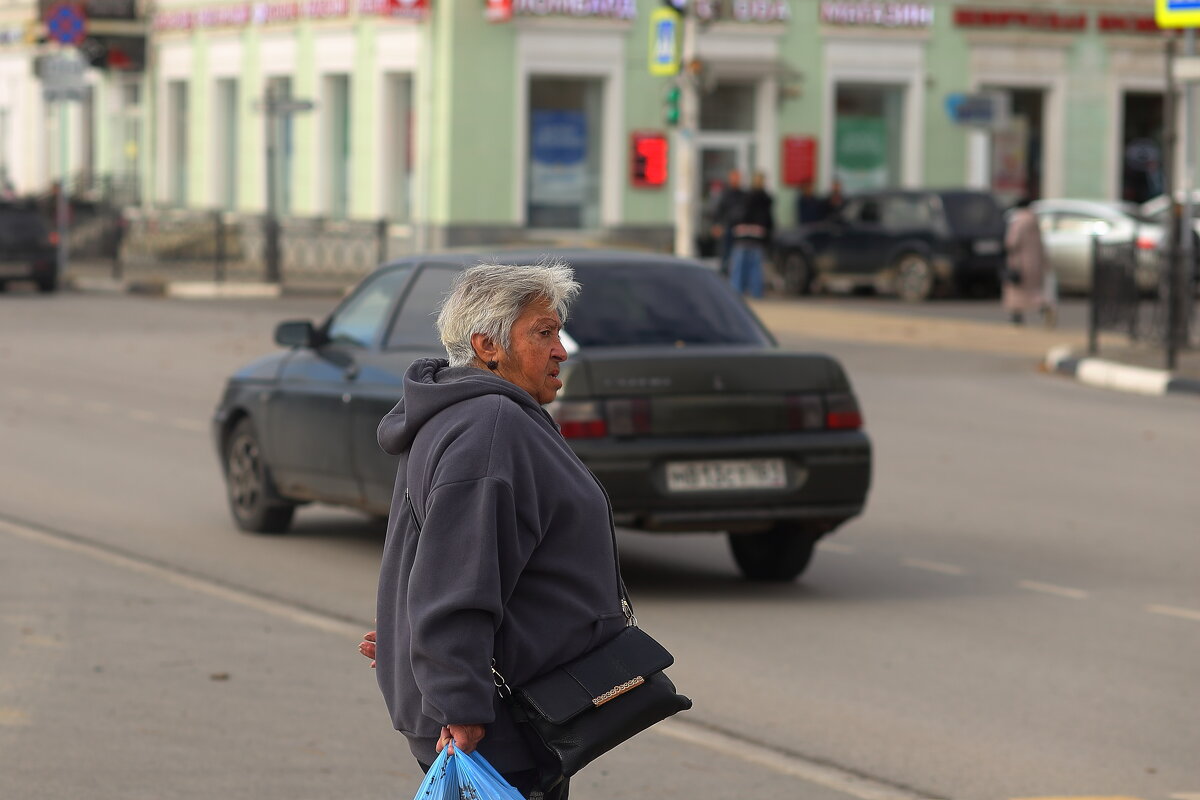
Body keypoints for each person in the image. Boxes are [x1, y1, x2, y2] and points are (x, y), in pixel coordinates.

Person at [359, 260, 627, 800]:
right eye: (543, 333)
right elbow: (459, 581)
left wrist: (414, 640)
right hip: (499, 718)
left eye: (558, 332)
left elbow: (435, 553)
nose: (560, 349)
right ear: (488, 346)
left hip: (509, 700)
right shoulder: (491, 426)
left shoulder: (481, 416)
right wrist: (458, 699)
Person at [1002, 196, 1050, 325]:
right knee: (1034, 291)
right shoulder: (1034, 220)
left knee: (1016, 290)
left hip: (1019, 262)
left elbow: (1012, 242)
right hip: (1035, 262)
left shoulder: (1019, 221)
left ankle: (1016, 316)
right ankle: (1043, 308)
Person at [728, 171, 774, 298]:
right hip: (758, 237)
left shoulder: (745, 197)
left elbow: (738, 216)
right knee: (755, 270)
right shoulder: (766, 199)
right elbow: (769, 221)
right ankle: (756, 294)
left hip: (743, 236)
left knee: (739, 270)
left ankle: (735, 296)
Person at [711, 168, 746, 276]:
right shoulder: (725, 194)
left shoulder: (743, 195)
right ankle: (724, 275)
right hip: (727, 228)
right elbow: (718, 211)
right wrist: (716, 225)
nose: (735, 180)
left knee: (738, 256)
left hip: (740, 229)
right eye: (733, 177)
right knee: (725, 254)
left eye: (737, 177)